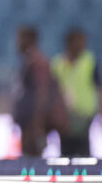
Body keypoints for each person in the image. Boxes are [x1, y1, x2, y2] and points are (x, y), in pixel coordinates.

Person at [51, 28, 102, 157]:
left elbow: (101, 89)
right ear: (69, 43)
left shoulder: (90, 62)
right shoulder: (57, 64)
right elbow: (51, 91)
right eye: (79, 41)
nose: (82, 45)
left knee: (84, 153)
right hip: (64, 118)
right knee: (65, 154)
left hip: (85, 117)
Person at [12, 26, 67, 157]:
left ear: (29, 40)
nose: (17, 43)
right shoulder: (28, 61)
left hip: (34, 124)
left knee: (33, 163)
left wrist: (38, 125)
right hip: (29, 123)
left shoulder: (38, 62)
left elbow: (42, 94)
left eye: (20, 39)